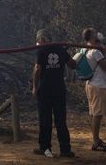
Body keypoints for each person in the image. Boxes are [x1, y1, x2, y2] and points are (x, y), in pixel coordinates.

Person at [32, 29, 76, 158]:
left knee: (45, 120)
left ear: (42, 39)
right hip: (59, 90)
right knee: (61, 121)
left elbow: (37, 70)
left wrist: (34, 87)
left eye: (38, 40)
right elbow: (72, 65)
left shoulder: (41, 50)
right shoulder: (60, 49)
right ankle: (65, 150)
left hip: (45, 91)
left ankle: (45, 148)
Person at [81, 27, 106, 152]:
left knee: (93, 113)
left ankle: (96, 140)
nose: (98, 34)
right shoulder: (96, 52)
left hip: (90, 84)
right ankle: (96, 142)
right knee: (97, 114)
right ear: (92, 37)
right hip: (98, 85)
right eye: (95, 33)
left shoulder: (84, 49)